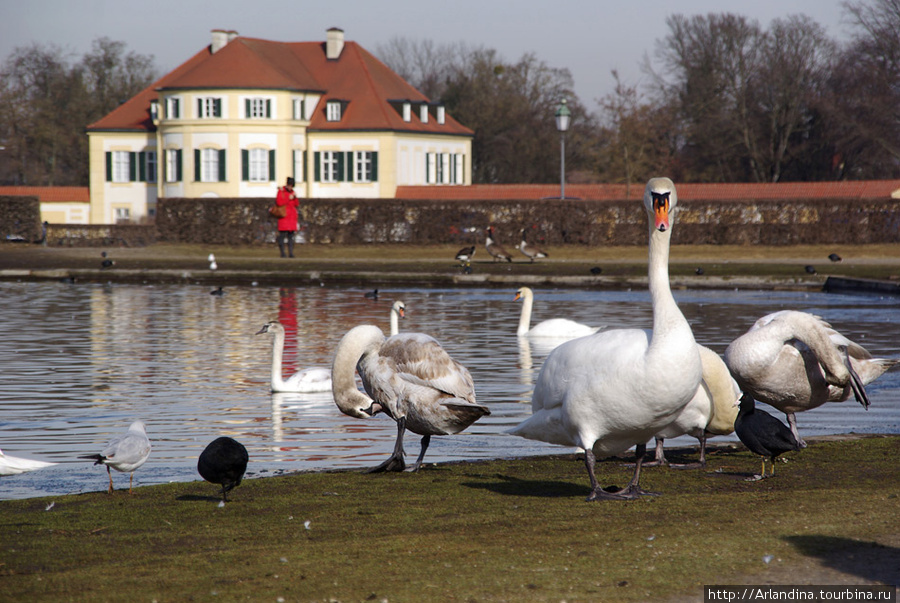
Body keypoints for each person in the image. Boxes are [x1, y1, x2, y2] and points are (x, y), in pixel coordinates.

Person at [275, 177, 300, 258]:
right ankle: (282, 253)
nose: (290, 187)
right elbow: (279, 202)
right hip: (284, 217)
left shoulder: (292, 192)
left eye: (292, 186)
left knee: (291, 237)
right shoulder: (281, 192)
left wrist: (295, 198)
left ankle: (291, 253)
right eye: (289, 185)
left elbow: (296, 204)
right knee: (282, 236)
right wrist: (288, 198)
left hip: (292, 218)